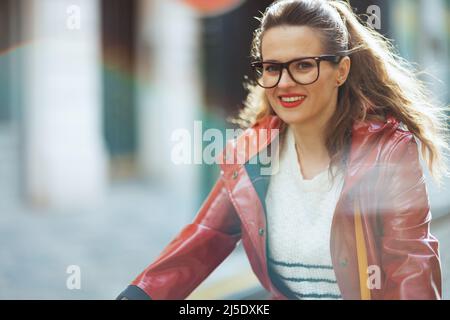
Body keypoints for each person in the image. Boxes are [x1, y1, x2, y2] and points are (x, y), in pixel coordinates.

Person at [117, 0, 448, 300]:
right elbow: (207, 235)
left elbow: (410, 262)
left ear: (341, 71)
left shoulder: (387, 152)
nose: (284, 82)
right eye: (273, 68)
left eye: (303, 65)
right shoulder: (252, 155)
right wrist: (140, 295)